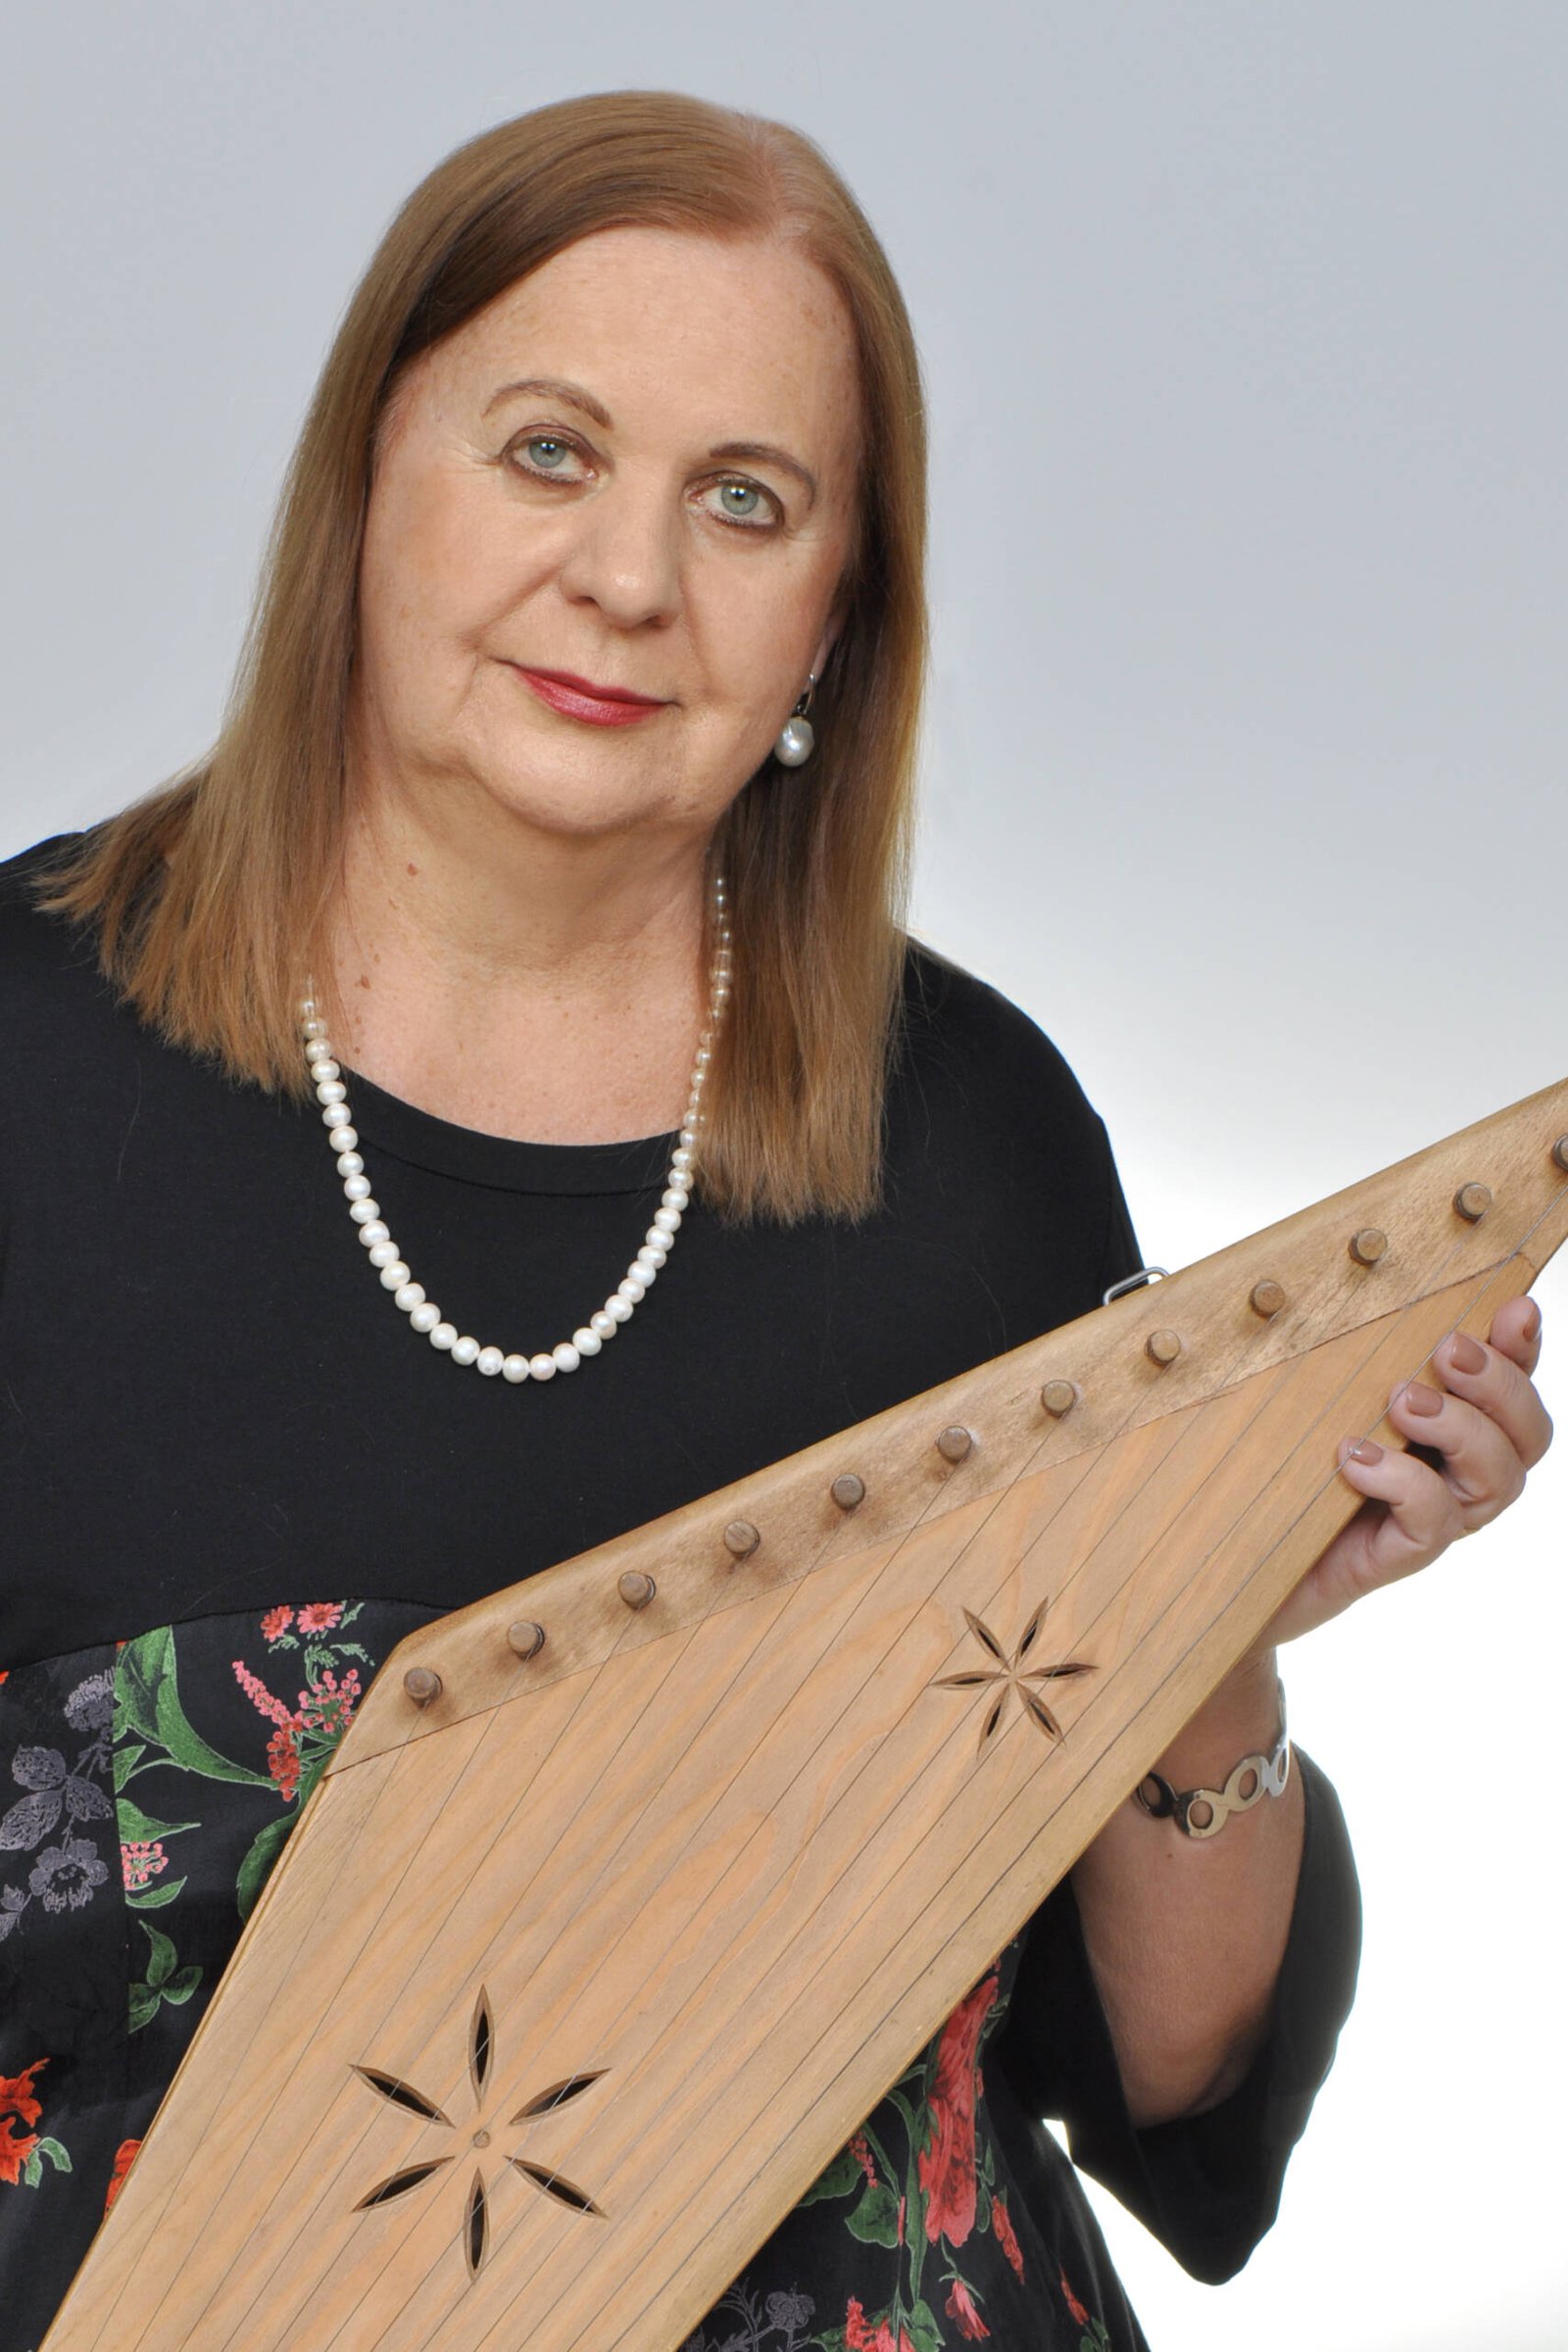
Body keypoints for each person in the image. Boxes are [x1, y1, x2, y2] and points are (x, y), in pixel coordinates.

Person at [0, 91, 1549, 2352]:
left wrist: (1208, 1608)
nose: (629, 579)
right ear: (365, 482)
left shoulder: (972, 1142)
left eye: (745, 500)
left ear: (834, 616)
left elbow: (1154, 2081)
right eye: (548, 452)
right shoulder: (22, 1068)